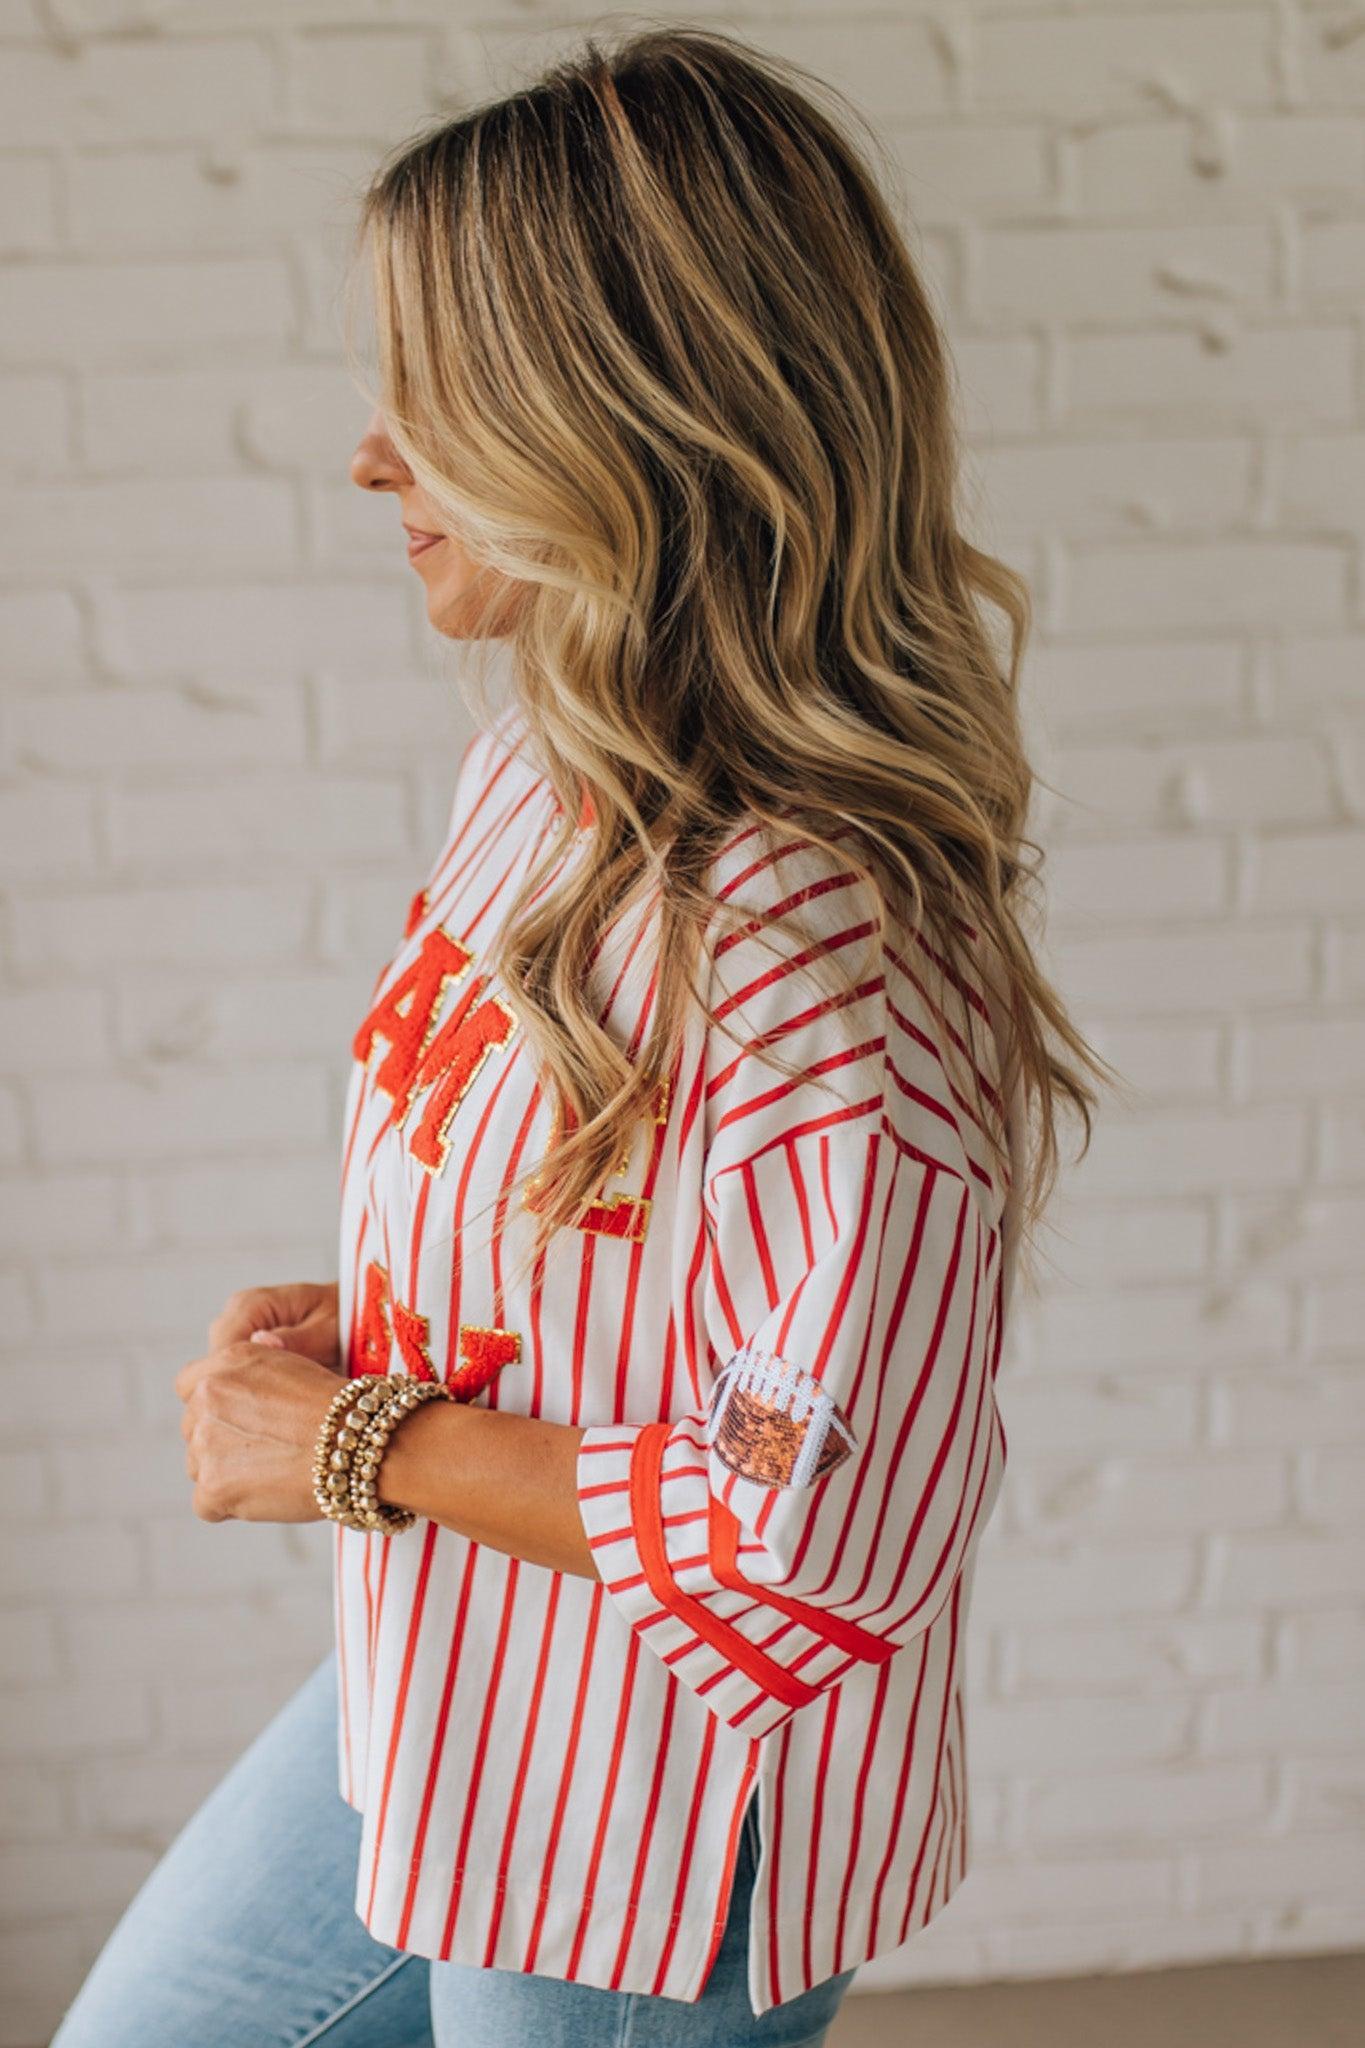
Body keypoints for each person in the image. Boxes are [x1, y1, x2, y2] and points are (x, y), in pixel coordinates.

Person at [50, 23, 1113, 2048]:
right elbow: (629, 1264)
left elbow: (822, 1534)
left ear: (623, 421)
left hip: (648, 1817)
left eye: (433, 400)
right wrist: (382, 1326)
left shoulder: (814, 930)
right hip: (456, 1676)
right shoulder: (540, 783)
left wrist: (360, 1445)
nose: (374, 456)